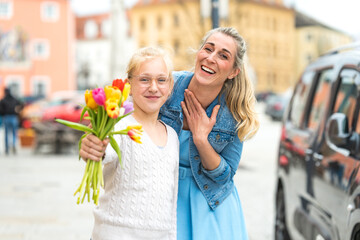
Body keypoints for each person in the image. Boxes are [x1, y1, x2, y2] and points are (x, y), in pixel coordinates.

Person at [81, 27, 259, 240]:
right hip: (161, 199)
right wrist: (95, 141)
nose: (211, 58)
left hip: (209, 201)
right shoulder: (165, 83)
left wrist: (201, 140)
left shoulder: (235, 111)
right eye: (208, 49)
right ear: (199, 52)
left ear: (233, 71)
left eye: (223, 55)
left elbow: (225, 177)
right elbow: (126, 120)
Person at [80, 47, 179, 240]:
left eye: (161, 80)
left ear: (170, 86)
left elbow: (170, 201)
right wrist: (92, 147)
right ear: (128, 86)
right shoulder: (118, 126)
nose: (153, 87)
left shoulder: (173, 136)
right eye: (144, 79)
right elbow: (102, 149)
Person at [0, 88, 23, 155]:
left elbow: (0, 109)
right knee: (14, 133)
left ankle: (7, 148)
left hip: (6, 117)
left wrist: (3, 114)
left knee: (7, 134)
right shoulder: (14, 99)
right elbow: (22, 104)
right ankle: (13, 144)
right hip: (13, 117)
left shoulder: (3, 100)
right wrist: (18, 112)